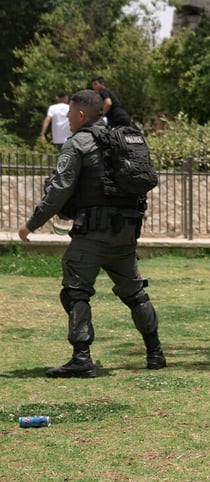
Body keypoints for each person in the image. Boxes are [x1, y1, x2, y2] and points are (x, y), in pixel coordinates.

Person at [18, 90, 165, 378]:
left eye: (70, 114)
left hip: (93, 234)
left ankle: (81, 357)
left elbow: (60, 190)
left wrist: (31, 224)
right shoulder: (118, 140)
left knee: (75, 291)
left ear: (81, 114)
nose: (68, 119)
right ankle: (155, 353)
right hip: (126, 233)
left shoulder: (78, 143)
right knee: (135, 293)